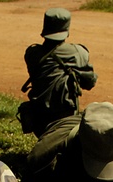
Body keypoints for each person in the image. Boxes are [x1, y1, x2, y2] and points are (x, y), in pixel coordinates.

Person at [19, 8, 97, 137]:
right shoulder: (77, 52)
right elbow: (90, 83)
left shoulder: (32, 53)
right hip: (65, 118)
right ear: (67, 29)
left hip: (38, 119)